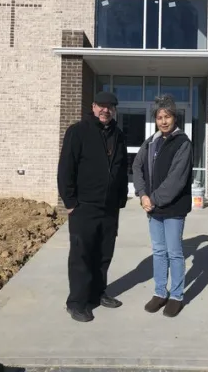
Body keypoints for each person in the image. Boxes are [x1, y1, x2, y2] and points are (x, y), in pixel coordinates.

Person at [58, 91, 128, 323]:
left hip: (109, 209)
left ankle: (97, 294)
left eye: (110, 106)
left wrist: (120, 199)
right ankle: (77, 302)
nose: (105, 110)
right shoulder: (78, 132)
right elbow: (66, 169)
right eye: (101, 105)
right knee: (81, 255)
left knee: (103, 254)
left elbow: (121, 167)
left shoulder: (118, 134)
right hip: (84, 207)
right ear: (93, 106)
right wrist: (70, 202)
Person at [132, 94, 193, 318]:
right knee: (159, 252)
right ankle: (160, 293)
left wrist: (153, 198)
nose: (163, 121)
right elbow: (137, 166)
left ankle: (176, 296)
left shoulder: (183, 143)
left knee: (175, 253)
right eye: (159, 117)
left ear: (174, 118)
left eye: (167, 116)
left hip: (173, 209)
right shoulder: (151, 142)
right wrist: (142, 194)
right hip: (153, 208)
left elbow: (176, 179)